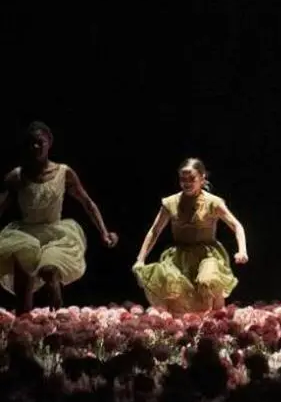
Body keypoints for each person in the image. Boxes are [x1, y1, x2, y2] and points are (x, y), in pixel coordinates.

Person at [0, 122, 118, 313]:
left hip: (55, 233)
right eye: (31, 143)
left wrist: (104, 232)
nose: (35, 147)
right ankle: (24, 322)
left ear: (49, 143)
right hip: (24, 234)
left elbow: (87, 203)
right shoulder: (17, 176)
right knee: (23, 285)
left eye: (40, 142)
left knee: (50, 269)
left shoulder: (63, 172)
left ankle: (55, 298)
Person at [133, 158, 248, 313]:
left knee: (208, 280)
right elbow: (155, 231)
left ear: (202, 178)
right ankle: (181, 323)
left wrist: (242, 250)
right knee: (173, 287)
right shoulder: (171, 202)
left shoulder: (212, 202)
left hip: (207, 255)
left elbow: (236, 225)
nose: (187, 183)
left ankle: (217, 317)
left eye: (191, 179)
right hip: (179, 256)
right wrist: (140, 259)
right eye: (183, 179)